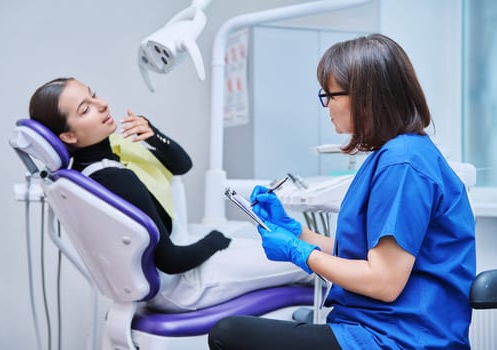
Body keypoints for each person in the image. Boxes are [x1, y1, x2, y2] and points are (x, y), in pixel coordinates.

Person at [208, 33, 476, 349]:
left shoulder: (403, 164)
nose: (327, 105)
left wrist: (300, 253)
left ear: (365, 98)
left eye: (331, 95)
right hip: (379, 327)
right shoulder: (396, 155)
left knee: (229, 334)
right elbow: (368, 253)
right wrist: (297, 232)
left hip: (400, 339)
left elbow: (384, 281)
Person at [28, 77, 313, 312]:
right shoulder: (115, 178)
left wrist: (153, 134)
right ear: (68, 136)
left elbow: (181, 165)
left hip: (168, 279)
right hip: (183, 284)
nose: (102, 105)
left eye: (94, 95)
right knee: (308, 262)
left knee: (289, 248)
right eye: (85, 109)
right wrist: (215, 239)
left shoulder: (91, 169)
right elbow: (171, 260)